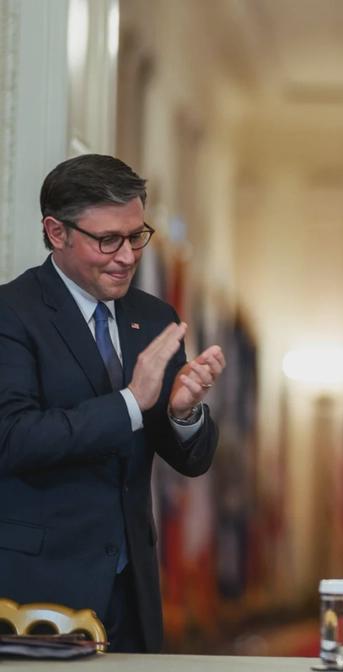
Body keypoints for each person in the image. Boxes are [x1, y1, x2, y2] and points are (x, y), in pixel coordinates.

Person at [0, 154, 223, 652]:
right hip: (38, 595)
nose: (127, 256)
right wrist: (130, 402)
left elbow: (192, 462)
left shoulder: (155, 316)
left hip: (132, 589)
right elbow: (12, 437)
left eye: (136, 236)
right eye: (108, 240)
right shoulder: (12, 313)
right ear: (57, 232)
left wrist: (183, 413)